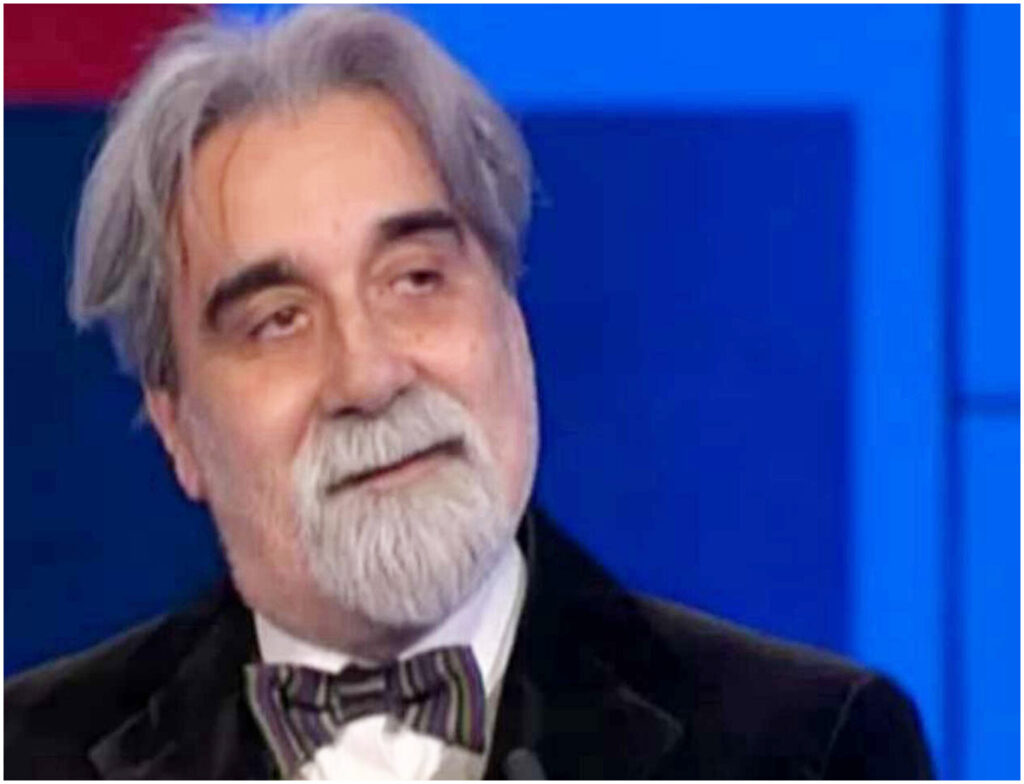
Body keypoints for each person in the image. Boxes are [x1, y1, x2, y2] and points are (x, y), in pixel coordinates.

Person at [5, 6, 933, 779]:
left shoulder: (809, 746)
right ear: (178, 430)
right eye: (278, 321)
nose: (368, 376)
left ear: (511, 319)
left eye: (416, 280)